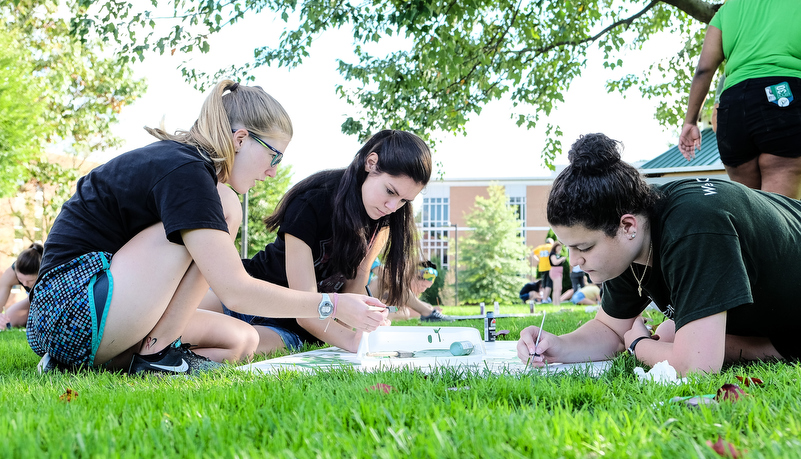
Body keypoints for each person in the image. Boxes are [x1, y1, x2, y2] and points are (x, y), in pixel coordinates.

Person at [27, 80, 388, 375]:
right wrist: (333, 304)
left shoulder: (189, 169)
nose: (273, 171)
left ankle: (123, 357)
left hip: (95, 309)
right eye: (274, 155)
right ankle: (155, 355)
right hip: (69, 307)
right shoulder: (186, 171)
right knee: (227, 205)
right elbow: (234, 291)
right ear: (241, 138)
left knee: (241, 340)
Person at [518, 133, 801, 376]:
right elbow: (611, 329)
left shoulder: (693, 227)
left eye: (584, 247)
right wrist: (556, 346)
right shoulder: (631, 238)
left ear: (627, 225)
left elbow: (696, 368)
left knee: (673, 335)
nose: (575, 261)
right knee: (671, 333)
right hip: (778, 317)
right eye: (569, 247)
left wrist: (638, 345)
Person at [200, 130, 432, 354]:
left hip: (291, 329)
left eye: (403, 200)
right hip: (252, 292)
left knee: (241, 346)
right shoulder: (313, 202)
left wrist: (361, 325)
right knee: (175, 324)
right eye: (390, 191)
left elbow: (354, 287)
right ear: (371, 163)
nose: (392, 207)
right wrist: (352, 340)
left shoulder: (383, 221)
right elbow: (307, 305)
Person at [679, 0, 801, 199]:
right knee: (781, 213)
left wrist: (690, 122)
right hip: (782, 95)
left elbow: (703, 70)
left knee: (750, 210)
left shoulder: (725, 11)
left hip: (732, 107)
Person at [380, 260, 453, 322]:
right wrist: (427, 311)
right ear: (413, 277)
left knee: (427, 307)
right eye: (422, 286)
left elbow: (423, 306)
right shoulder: (395, 287)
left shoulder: (410, 293)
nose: (423, 289)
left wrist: (430, 309)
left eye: (426, 287)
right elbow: (389, 308)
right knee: (405, 312)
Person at [0, 243, 42, 330]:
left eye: (30, 281)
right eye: (20, 279)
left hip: (49, 302)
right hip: (31, 300)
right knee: (8, 319)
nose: (25, 284)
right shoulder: (10, 274)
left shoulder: (49, 274)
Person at [531, 238, 554, 303]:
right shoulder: (551, 247)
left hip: (542, 268)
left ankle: (544, 298)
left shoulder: (540, 247)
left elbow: (532, 253)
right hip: (550, 268)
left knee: (544, 284)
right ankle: (545, 299)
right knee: (548, 284)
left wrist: (538, 260)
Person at [548, 241, 566, 308]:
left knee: (558, 288)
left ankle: (557, 302)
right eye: (558, 248)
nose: (559, 249)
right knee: (557, 289)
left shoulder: (556, 254)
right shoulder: (552, 254)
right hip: (555, 271)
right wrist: (562, 259)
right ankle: (556, 303)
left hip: (559, 272)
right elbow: (555, 262)